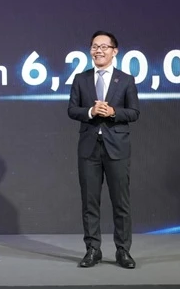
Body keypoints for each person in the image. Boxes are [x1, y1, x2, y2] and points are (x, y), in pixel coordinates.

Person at [67, 30, 139, 269]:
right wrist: (90, 111)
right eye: (94, 47)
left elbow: (134, 112)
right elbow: (72, 109)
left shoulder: (126, 80)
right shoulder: (81, 79)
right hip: (89, 149)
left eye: (103, 47)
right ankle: (92, 250)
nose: (98, 51)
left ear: (114, 51)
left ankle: (123, 251)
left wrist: (113, 112)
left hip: (117, 148)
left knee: (121, 202)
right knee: (90, 202)